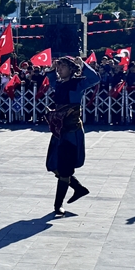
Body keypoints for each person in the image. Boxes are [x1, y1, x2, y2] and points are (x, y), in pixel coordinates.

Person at [44, 55, 100, 215]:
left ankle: (58, 206)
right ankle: (78, 188)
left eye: (63, 66)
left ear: (71, 69)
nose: (60, 69)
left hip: (71, 132)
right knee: (53, 165)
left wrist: (83, 64)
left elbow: (95, 79)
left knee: (65, 169)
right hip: (58, 131)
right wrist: (51, 70)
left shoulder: (78, 83)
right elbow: (51, 79)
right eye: (59, 66)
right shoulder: (59, 84)